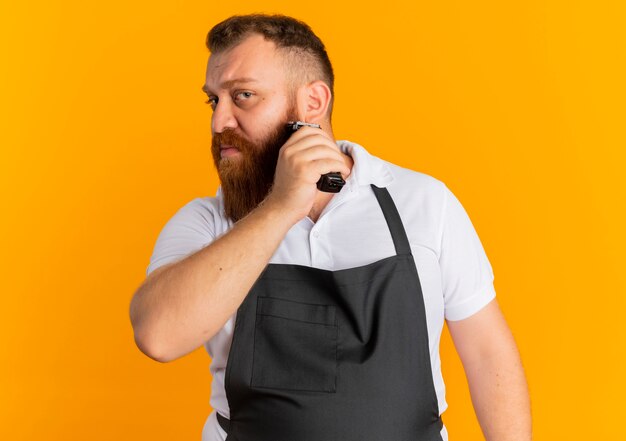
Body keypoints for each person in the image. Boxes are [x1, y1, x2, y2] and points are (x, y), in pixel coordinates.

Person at [129, 14, 531, 441]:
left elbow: (489, 356)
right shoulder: (207, 221)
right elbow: (158, 336)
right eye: (214, 100)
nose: (219, 122)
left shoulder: (425, 203)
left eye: (243, 96)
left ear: (313, 103)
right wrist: (281, 206)